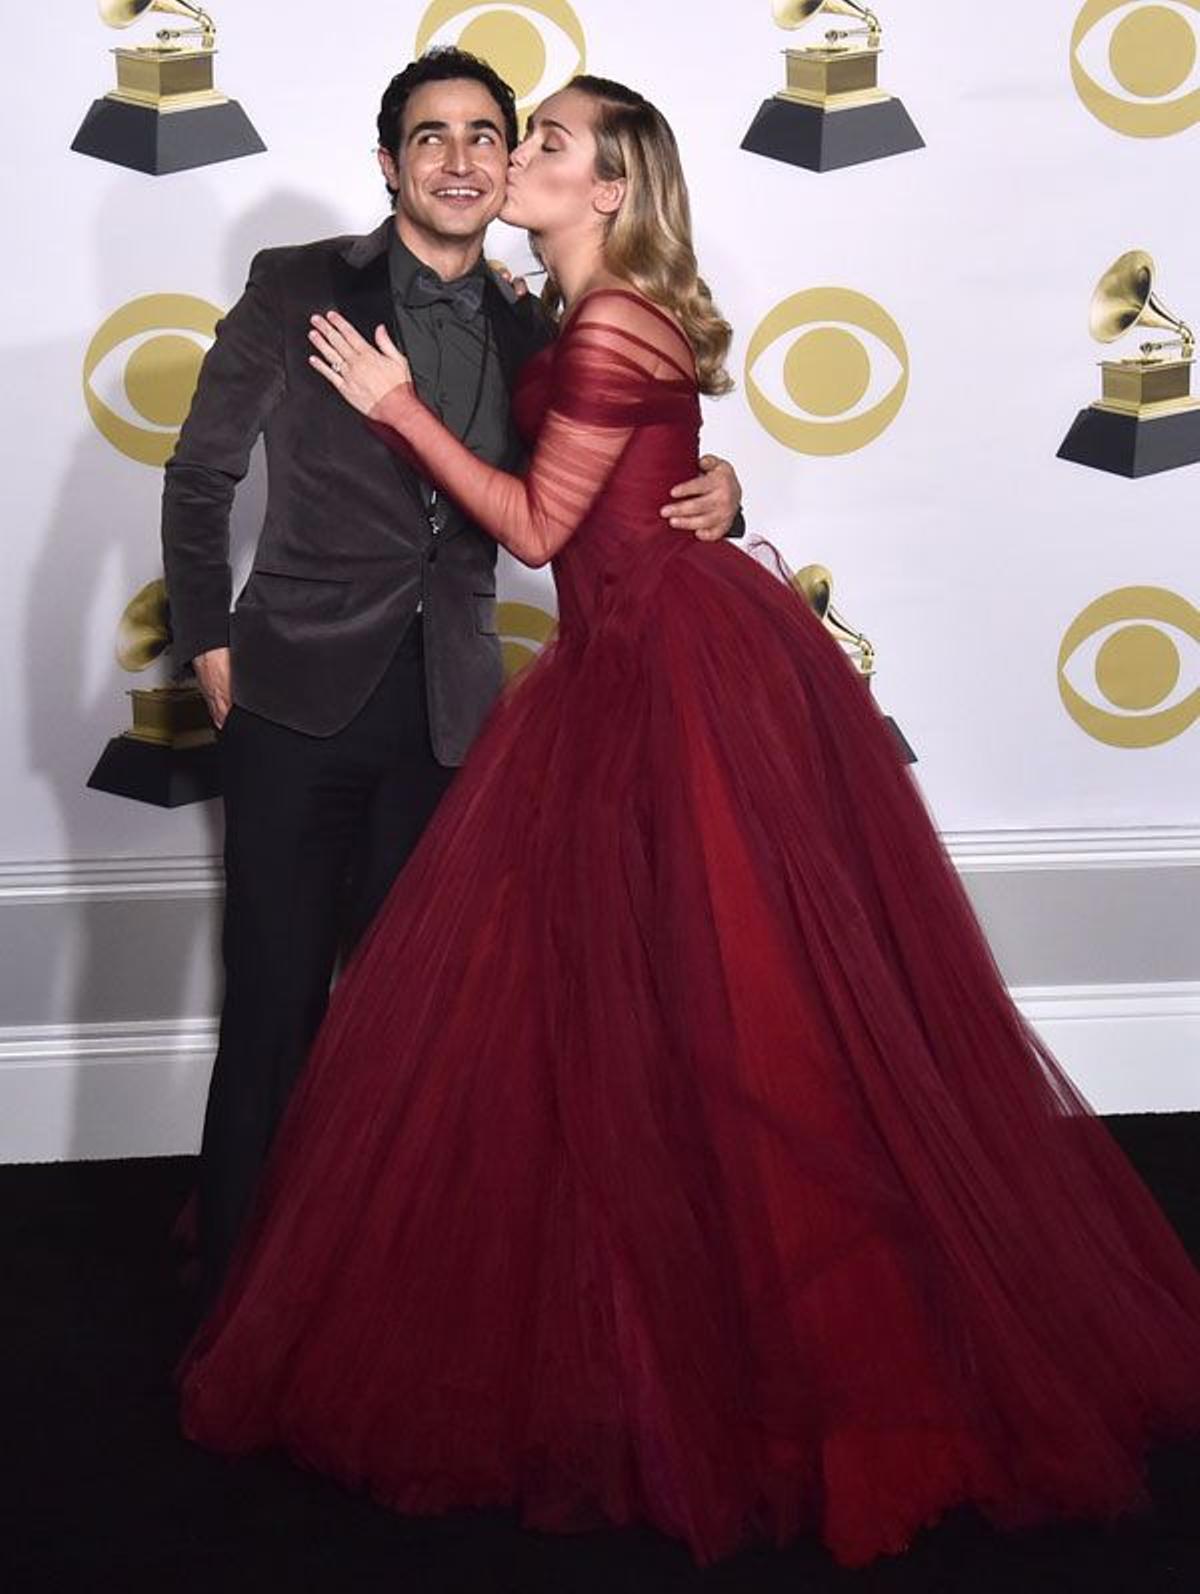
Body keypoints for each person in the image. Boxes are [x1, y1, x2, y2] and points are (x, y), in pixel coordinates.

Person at [178, 75, 1200, 1568]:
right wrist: (694, 469)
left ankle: (752, 1343)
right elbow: (601, 456)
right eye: (465, 137)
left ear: (609, 188)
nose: (501, 159)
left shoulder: (575, 319)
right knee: (437, 1017)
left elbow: (539, 518)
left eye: (532, 139)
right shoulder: (456, 298)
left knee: (716, 1022)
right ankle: (287, 1302)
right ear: (392, 159)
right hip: (437, 681)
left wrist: (415, 411)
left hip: (634, 686)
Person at [161, 50, 744, 1299]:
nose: (469, 158)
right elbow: (203, 472)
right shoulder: (297, 284)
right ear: (390, 163)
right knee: (270, 1003)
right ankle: (236, 1289)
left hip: (453, 718)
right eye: (435, 137)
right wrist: (209, 638)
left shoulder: (548, 321)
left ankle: (374, 1289)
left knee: (422, 1020)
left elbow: (590, 486)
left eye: (494, 135)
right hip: (293, 698)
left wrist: (719, 488)